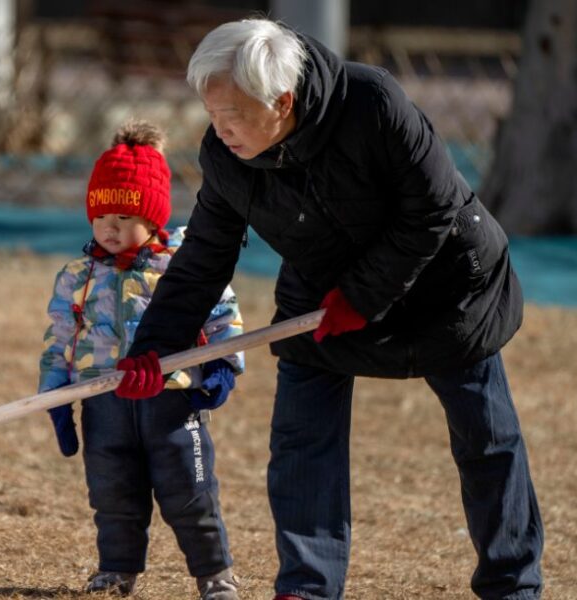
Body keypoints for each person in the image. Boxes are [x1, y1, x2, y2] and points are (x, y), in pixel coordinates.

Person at [114, 19, 544, 600]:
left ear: (283, 101)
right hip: (323, 297)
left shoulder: (373, 104)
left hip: (446, 287)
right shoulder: (227, 154)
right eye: (212, 113)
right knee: (301, 437)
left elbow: (432, 211)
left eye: (233, 115)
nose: (219, 131)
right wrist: (154, 348)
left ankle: (513, 584)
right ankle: (307, 587)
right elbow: (204, 260)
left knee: (485, 437)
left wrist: (363, 298)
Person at [38, 120, 246, 600]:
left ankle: (215, 573)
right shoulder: (76, 277)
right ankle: (116, 570)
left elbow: (222, 316)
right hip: (103, 403)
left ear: (153, 219)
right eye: (101, 215)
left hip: (171, 402)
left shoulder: (181, 267)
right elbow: (61, 338)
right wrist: (54, 394)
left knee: (189, 492)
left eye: (123, 216)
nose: (110, 226)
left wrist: (221, 367)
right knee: (112, 495)